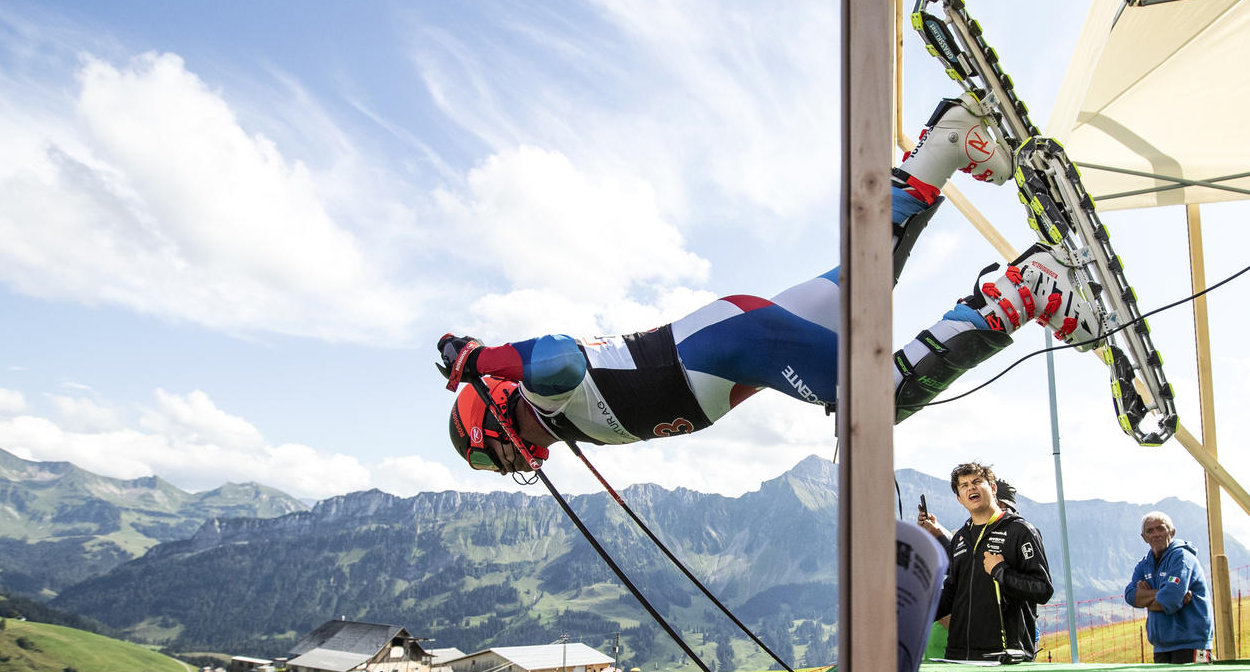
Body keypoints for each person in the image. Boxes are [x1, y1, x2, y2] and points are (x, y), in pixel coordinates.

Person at [439, 94, 1105, 475]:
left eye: (492, 457)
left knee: (874, 401)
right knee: (864, 282)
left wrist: (481, 357)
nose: (508, 468)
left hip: (734, 345)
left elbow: (557, 353)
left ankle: (1025, 292)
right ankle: (948, 144)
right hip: (734, 338)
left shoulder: (538, 390)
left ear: (493, 416)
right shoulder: (562, 423)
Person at [919, 462, 1052, 661]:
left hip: (1004, 656)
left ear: (993, 488)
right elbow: (952, 593)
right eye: (963, 486)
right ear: (959, 498)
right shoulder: (961, 538)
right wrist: (917, 609)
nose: (970, 488)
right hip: (958, 654)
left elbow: (1042, 590)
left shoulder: (1020, 531)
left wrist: (1000, 571)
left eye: (977, 481)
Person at [1124, 511, 1213, 663]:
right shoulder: (1144, 565)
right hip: (1161, 647)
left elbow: (1171, 598)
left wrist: (1147, 600)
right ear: (1144, 537)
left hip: (1192, 644)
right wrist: (1161, 595)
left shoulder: (1182, 558)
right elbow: (1130, 595)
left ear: (1172, 532)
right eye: (1150, 531)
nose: (1156, 534)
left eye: (1161, 528)